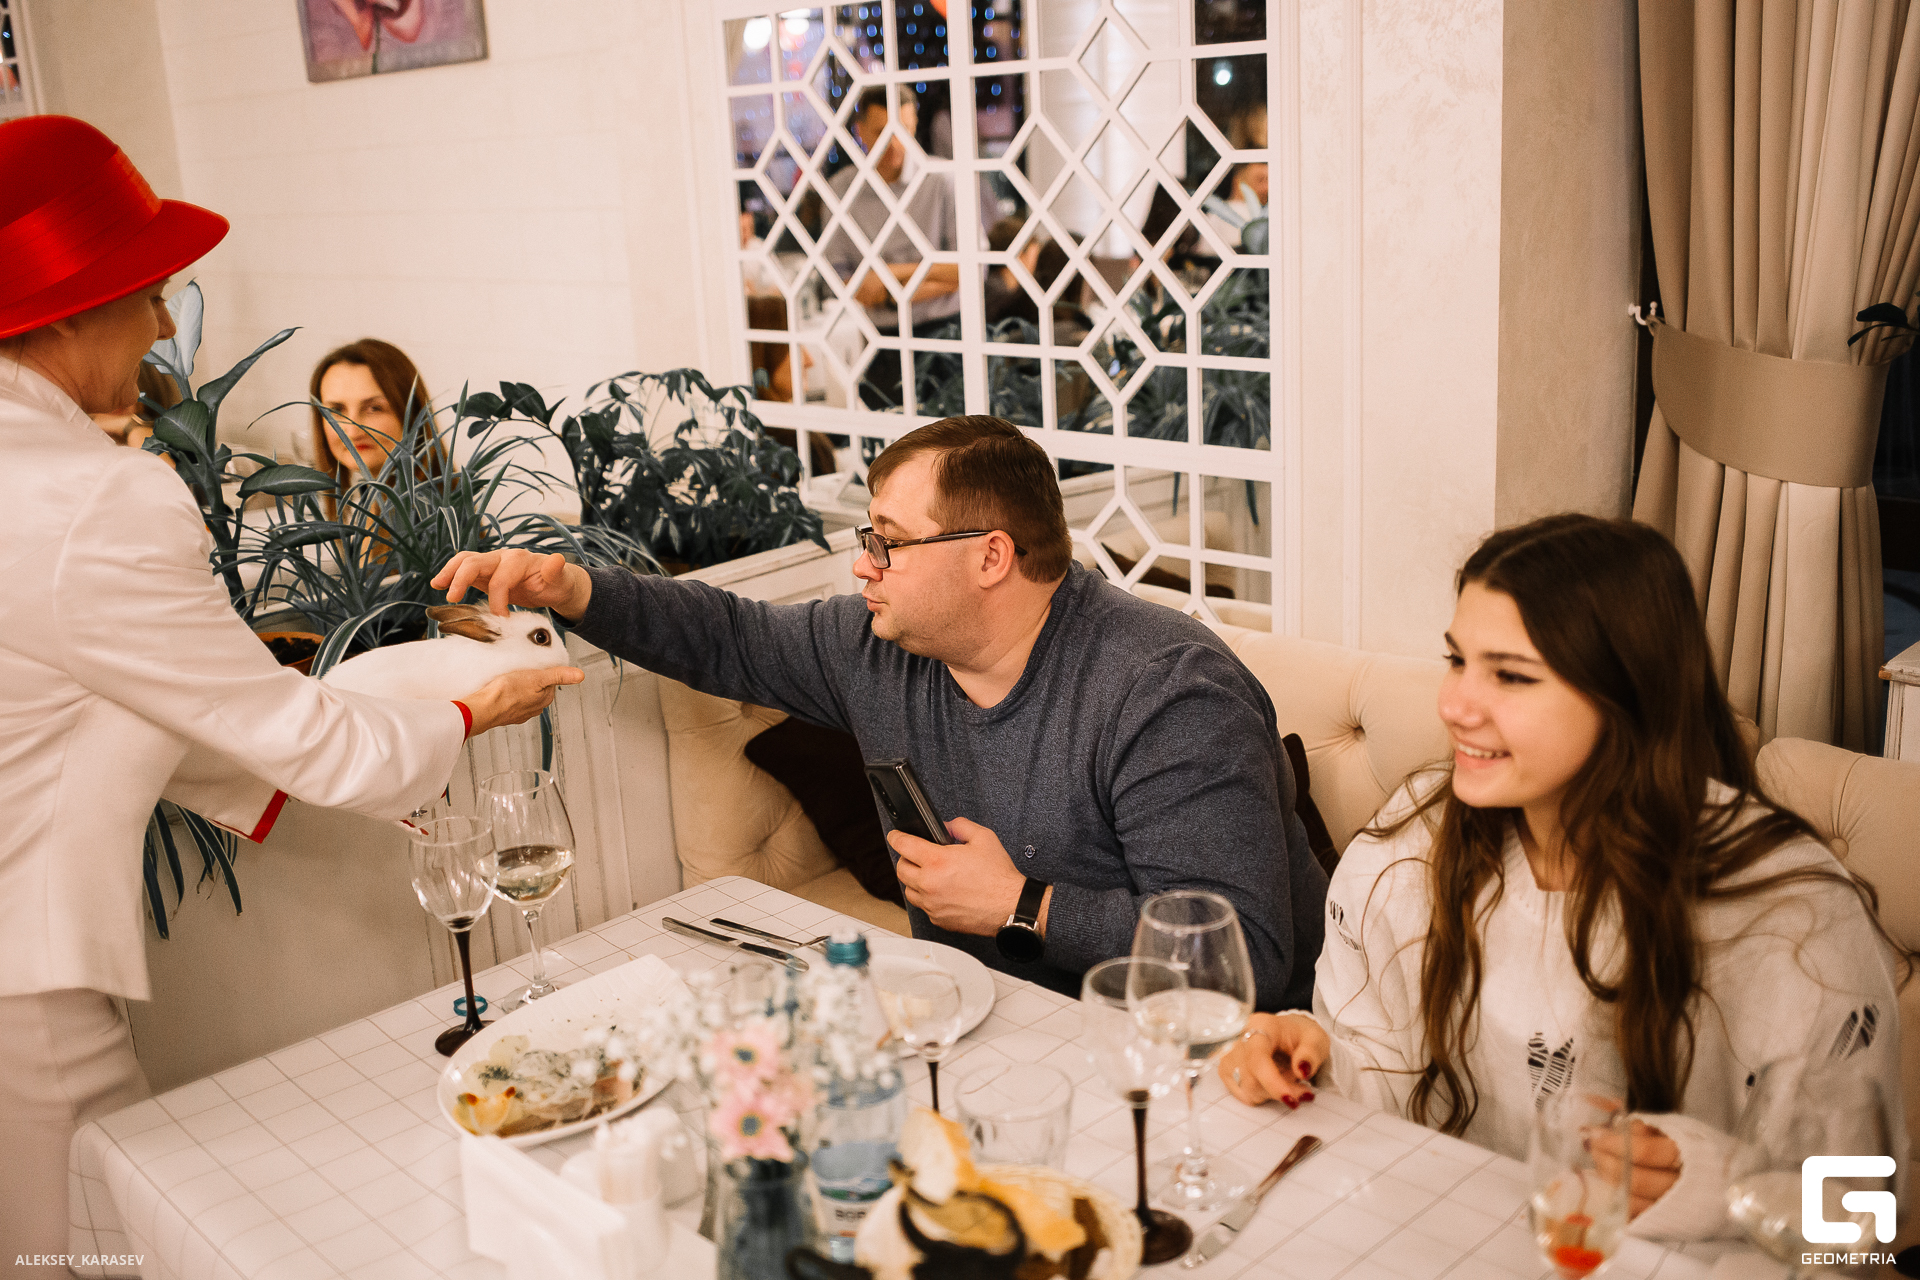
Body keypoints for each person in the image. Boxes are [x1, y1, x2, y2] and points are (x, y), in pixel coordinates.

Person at [0, 116, 581, 1273]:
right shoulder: (96, 498)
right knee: (95, 1249)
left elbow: (100, 700)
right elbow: (300, 736)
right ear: (67, 310)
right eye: (147, 291)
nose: (162, 325)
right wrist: (468, 709)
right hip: (23, 980)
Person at [434, 415, 1326, 1006]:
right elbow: (729, 637)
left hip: (1199, 1062)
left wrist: (1022, 905)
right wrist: (574, 588)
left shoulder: (1164, 693)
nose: (864, 564)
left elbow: (1240, 957)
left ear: (991, 557)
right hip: (988, 1024)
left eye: (889, 542)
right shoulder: (878, 647)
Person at [1215, 513, 1908, 1239]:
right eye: (1457, 660)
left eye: (1511, 676)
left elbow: (1862, 1224)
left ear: (1629, 695)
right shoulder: (1413, 844)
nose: (1454, 705)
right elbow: (1381, 1072)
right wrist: (1305, 1056)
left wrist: (1718, 1184)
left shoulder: (1790, 916)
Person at [824, 86, 962, 335]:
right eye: (882, 132)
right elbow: (838, 281)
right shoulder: (840, 190)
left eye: (904, 130)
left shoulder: (942, 179)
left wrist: (888, 278)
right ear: (860, 131)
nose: (895, 143)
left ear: (915, 125)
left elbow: (968, 269)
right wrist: (936, 275)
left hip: (946, 328)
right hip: (874, 335)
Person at [309, 336, 445, 515]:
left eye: (374, 408)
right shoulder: (371, 501)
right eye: (336, 410)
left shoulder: (427, 521)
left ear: (412, 414)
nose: (352, 432)